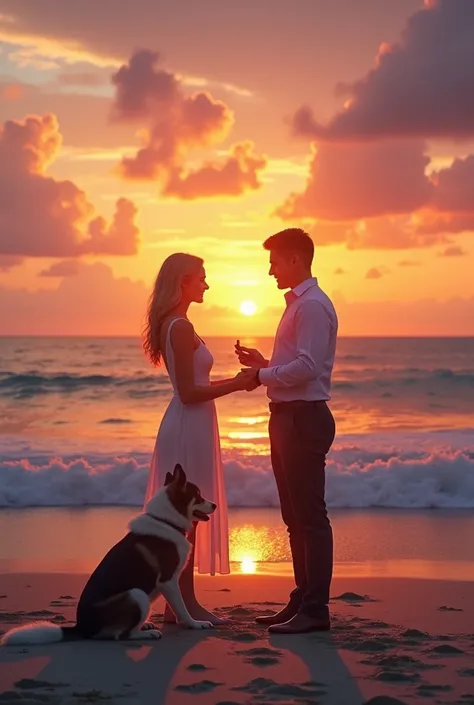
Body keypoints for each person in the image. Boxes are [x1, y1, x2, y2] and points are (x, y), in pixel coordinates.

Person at [143, 252, 257, 625]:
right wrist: (238, 384)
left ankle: (179, 605)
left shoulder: (178, 323)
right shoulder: (179, 327)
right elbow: (190, 392)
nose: (207, 284)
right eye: (201, 278)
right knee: (186, 520)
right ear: (183, 282)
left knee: (187, 519)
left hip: (192, 423)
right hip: (188, 425)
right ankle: (184, 604)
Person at [236, 228, 338, 634]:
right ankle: (303, 598)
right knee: (294, 517)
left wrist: (261, 374)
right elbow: (295, 362)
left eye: (275, 261)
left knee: (310, 517)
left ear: (296, 258)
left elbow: (309, 367)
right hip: (287, 416)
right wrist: (266, 362)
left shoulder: (311, 306)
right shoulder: (299, 304)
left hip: (303, 417)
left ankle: (316, 609)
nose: (270, 271)